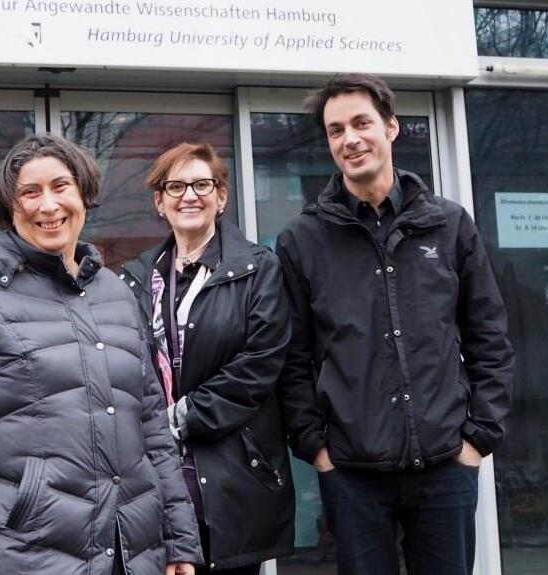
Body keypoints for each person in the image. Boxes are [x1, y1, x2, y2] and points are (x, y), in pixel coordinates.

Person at [0, 133, 202, 575]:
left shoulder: (115, 294)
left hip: (132, 554)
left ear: (83, 193)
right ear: (10, 207)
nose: (48, 205)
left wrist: (180, 542)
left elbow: (153, 430)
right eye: (30, 192)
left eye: (61, 186)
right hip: (29, 553)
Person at [276, 73, 515, 575]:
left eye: (361, 123)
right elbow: (292, 356)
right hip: (352, 475)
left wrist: (478, 439)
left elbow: (489, 337)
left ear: (391, 127)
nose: (350, 139)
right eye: (336, 129)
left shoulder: (449, 225)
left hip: (447, 464)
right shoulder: (302, 240)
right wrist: (316, 448)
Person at [120, 143, 294, 575]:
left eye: (202, 184)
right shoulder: (136, 278)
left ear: (221, 197)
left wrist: (180, 417)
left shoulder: (259, 268)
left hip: (233, 473)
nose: (189, 195)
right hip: (156, 479)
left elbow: (259, 365)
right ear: (159, 202)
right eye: (175, 186)